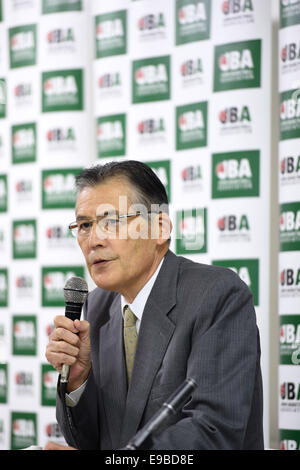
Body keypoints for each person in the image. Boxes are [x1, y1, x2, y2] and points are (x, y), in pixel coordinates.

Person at [45, 160, 264, 450]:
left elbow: (212, 433)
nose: (93, 240)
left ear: (159, 227)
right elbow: (90, 441)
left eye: (110, 221)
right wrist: (77, 381)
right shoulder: (97, 305)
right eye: (85, 225)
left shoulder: (217, 295)